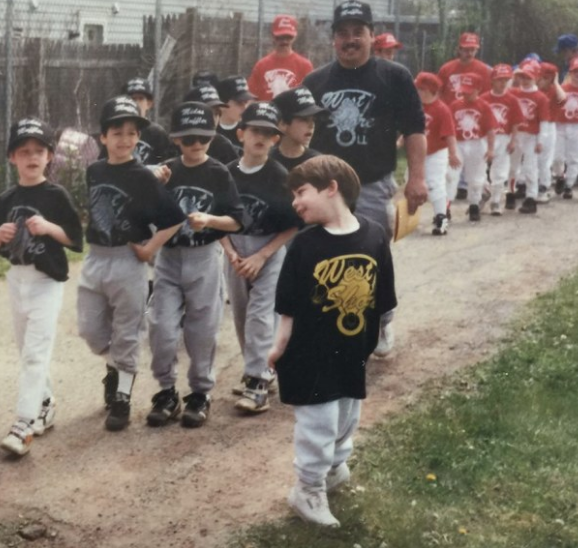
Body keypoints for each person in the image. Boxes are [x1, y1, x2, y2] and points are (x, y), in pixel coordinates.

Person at [268, 155, 397, 528]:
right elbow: (288, 306)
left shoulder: (373, 234)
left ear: (332, 188)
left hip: (351, 350)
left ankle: (333, 468)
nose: (295, 202)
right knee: (319, 422)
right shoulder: (304, 246)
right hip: (308, 352)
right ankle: (307, 489)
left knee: (346, 417)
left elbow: (383, 293)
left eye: (301, 192)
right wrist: (278, 347)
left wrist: (382, 331)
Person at [303, 0, 425, 358]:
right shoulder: (316, 80)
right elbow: (295, 131)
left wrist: (417, 177)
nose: (350, 39)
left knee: (370, 255)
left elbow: (415, 128)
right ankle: (333, 325)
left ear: (373, 36)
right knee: (324, 257)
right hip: (326, 186)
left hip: (372, 182)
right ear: (333, 40)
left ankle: (382, 319)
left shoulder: (394, 77)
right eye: (343, 33)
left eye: (359, 32)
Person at [77, 96, 185, 432]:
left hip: (128, 261)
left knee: (127, 329)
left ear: (138, 137)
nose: (125, 139)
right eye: (117, 132)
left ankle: (121, 396)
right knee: (90, 330)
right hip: (96, 257)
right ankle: (115, 365)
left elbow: (174, 219)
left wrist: (149, 248)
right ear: (102, 138)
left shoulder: (143, 176)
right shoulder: (93, 170)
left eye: (131, 132)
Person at [146, 102, 244, 428]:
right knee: (160, 326)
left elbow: (236, 221)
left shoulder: (218, 172)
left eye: (203, 137)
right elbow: (143, 209)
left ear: (212, 136)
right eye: (188, 139)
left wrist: (211, 219)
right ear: (175, 139)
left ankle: (200, 392)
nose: (196, 144)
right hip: (169, 258)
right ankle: (166, 391)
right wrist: (151, 182)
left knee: (202, 328)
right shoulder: (167, 170)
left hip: (203, 257)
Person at [0, 118, 83, 456]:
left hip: (46, 282)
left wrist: (49, 228)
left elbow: (75, 238)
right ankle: (45, 404)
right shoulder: (7, 197)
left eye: (39, 151)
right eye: (24, 151)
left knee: (34, 354)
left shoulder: (55, 195)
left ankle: (24, 424)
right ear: (12, 157)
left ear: (50, 157)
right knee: (27, 352)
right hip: (17, 281)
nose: (32, 157)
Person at [221, 102, 299, 413]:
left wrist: (263, 256)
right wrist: (230, 252)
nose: (261, 138)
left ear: (275, 140)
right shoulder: (226, 173)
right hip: (235, 248)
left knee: (260, 315)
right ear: (241, 133)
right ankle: (261, 369)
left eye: (268, 134)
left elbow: (294, 223)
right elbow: (217, 217)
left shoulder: (279, 175)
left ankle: (257, 382)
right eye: (255, 130)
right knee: (241, 316)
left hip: (269, 248)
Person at [413, 72, 458, 234]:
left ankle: (441, 218)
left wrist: (452, 154)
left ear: (429, 91)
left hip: (437, 152)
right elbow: (411, 131)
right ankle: (413, 215)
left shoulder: (442, 109)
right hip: (418, 152)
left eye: (420, 89)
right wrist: (399, 142)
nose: (416, 91)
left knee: (434, 184)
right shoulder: (416, 107)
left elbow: (450, 134)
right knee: (410, 181)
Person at [448, 73, 497, 222]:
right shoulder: (455, 105)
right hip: (458, 142)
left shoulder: (484, 106)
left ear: (478, 89)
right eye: (464, 90)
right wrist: (450, 150)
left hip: (477, 142)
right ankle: (445, 207)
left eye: (470, 91)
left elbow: (490, 130)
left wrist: (490, 149)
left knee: (476, 177)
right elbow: (449, 129)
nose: (466, 94)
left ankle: (474, 205)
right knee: (450, 174)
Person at [479, 63, 524, 215]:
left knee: (501, 170)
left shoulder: (511, 99)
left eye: (506, 80)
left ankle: (496, 201)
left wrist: (513, 140)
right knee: (478, 168)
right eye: (499, 80)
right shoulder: (484, 98)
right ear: (492, 80)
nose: (502, 83)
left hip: (503, 136)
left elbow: (516, 122)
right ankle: (484, 190)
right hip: (485, 137)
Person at [509, 62, 550, 213]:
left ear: (536, 78)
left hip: (531, 136)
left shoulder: (541, 98)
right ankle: (510, 193)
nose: (525, 80)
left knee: (530, 167)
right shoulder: (514, 93)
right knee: (513, 166)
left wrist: (541, 141)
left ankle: (531, 198)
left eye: (529, 77)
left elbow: (544, 121)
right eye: (523, 77)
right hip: (515, 135)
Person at [248, 14, 314, 101]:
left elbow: (311, 99)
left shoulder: (305, 66)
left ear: (294, 37)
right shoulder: (261, 65)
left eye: (288, 37)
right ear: (273, 37)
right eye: (280, 37)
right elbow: (251, 97)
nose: (284, 41)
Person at [119, 77, 176, 167]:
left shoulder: (157, 133)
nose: (136, 103)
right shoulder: (116, 131)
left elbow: (167, 163)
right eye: (132, 99)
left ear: (149, 103)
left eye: (141, 99)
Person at [270, 86, 326, 171]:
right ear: (283, 124)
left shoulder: (319, 163)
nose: (311, 125)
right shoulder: (266, 160)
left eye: (313, 119)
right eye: (304, 119)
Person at [183, 85, 240, 165]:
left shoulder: (223, 146)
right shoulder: (178, 143)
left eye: (216, 113)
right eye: (207, 113)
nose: (213, 119)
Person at [536, 62, 566, 202]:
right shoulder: (535, 89)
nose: (541, 80)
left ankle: (544, 187)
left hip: (548, 126)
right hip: (534, 127)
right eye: (540, 77)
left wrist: (556, 82)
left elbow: (563, 99)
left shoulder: (554, 90)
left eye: (546, 78)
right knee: (532, 159)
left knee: (545, 159)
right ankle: (531, 187)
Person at [438, 32, 492, 106]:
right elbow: (438, 92)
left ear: (476, 50)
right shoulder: (446, 69)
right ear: (459, 50)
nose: (469, 53)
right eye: (466, 50)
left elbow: (487, 94)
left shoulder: (484, 70)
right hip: (450, 112)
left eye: (472, 50)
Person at [552, 57, 578, 199]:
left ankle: (568, 185)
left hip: (576, 126)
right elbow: (554, 105)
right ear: (571, 73)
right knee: (557, 156)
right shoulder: (563, 89)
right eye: (575, 71)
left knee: (574, 157)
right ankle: (560, 176)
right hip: (560, 124)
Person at [216, 75, 257, 148]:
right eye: (239, 103)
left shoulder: (250, 130)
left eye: (246, 102)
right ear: (222, 105)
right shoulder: (211, 130)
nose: (245, 108)